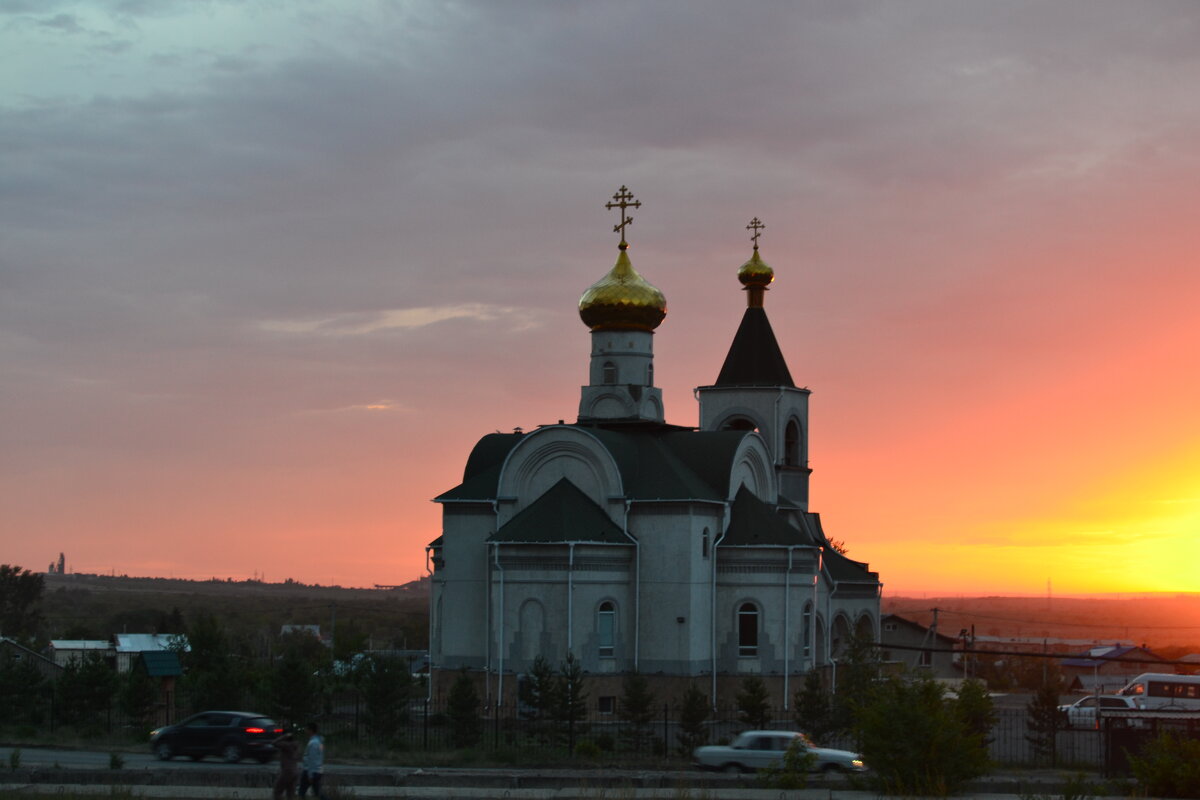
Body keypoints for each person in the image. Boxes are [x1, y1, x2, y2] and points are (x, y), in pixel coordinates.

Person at [298, 721, 328, 799]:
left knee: (302, 792)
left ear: (311, 730)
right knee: (317, 792)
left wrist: (310, 775)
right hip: (317, 771)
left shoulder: (313, 743)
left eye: (306, 729)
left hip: (310, 771)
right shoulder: (319, 742)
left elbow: (312, 760)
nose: (305, 730)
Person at [271, 731, 300, 800]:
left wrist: (283, 737)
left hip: (287, 771)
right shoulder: (295, 745)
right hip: (295, 771)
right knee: (290, 794)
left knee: (277, 792)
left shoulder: (286, 745)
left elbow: (274, 743)